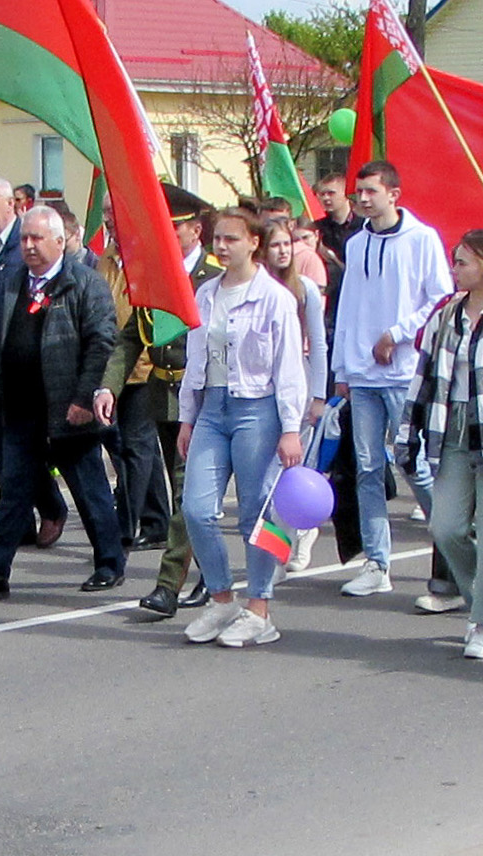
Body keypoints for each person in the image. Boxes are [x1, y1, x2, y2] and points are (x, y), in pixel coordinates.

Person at [397, 230, 483, 660]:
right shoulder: (445, 316)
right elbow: (424, 376)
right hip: (451, 427)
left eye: (462, 262)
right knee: (447, 526)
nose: (455, 270)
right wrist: (409, 430)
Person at [175, 208, 310, 647]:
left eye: (232, 238)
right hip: (213, 408)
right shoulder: (206, 294)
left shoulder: (275, 298)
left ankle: (260, 607)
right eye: (218, 238)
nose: (222, 246)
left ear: (254, 242)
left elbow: (289, 367)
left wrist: (291, 427)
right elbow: (196, 360)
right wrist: (187, 417)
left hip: (259, 409)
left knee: (258, 513)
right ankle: (221, 598)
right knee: (196, 507)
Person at [0, 206, 126, 596]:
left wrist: (83, 397)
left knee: (89, 490)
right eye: (24, 238)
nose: (28, 246)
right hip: (22, 409)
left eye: (36, 238)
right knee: (14, 493)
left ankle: (110, 562)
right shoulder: (11, 281)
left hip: (68, 409)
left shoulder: (84, 283)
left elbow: (101, 343)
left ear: (60, 242)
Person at [331, 160, 453, 598]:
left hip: (403, 371)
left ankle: (453, 544)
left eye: (371, 191)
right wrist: (341, 368)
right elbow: (347, 306)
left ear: (393, 194)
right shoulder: (358, 242)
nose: (363, 198)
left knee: (411, 461)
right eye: (358, 191)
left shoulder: (421, 239)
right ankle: (376, 561)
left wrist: (397, 335)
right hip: (362, 375)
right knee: (366, 467)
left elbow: (440, 297)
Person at [116, 190, 224, 617]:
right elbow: (130, 337)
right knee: (187, 494)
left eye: (173, 227)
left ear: (195, 230)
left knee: (186, 492)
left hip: (200, 398)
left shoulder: (212, 276)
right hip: (161, 395)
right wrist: (107, 386)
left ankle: (167, 586)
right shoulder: (155, 275)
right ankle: (211, 573)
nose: (165, 234)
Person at [0, 176, 68, 540]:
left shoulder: (24, 247)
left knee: (26, 448)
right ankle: (18, 522)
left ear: (12, 204)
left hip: (26, 368)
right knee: (0, 450)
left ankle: (51, 506)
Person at [263, 216, 330, 571]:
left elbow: (318, 345)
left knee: (292, 469)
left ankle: (299, 536)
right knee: (269, 476)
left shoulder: (305, 289)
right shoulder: (256, 287)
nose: (283, 251)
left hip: (299, 383)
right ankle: (278, 544)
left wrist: (318, 395)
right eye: (275, 245)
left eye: (287, 244)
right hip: (263, 387)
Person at [313, 174, 361, 262]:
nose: (326, 198)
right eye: (322, 194)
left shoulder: (363, 224)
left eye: (331, 193)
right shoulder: (319, 225)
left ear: (345, 193)